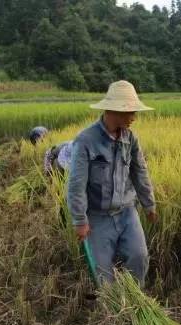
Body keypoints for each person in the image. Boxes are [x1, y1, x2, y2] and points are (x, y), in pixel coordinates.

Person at [67, 80, 157, 286]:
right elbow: (76, 184)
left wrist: (149, 204)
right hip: (98, 216)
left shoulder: (130, 139)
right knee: (102, 274)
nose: (134, 117)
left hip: (127, 212)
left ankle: (135, 303)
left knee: (139, 257)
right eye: (130, 112)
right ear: (114, 111)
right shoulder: (85, 141)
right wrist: (80, 220)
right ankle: (110, 311)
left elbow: (140, 172)